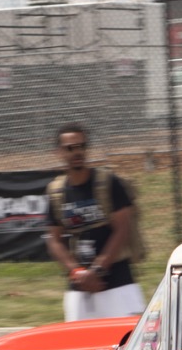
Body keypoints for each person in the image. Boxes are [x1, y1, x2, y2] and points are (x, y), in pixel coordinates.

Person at [44, 124, 146, 321]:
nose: (77, 152)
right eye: (70, 148)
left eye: (81, 146)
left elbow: (122, 229)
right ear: (59, 152)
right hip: (80, 287)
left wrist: (98, 270)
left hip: (118, 280)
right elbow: (54, 240)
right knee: (78, 345)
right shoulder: (56, 192)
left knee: (129, 342)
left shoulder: (108, 182)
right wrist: (77, 271)